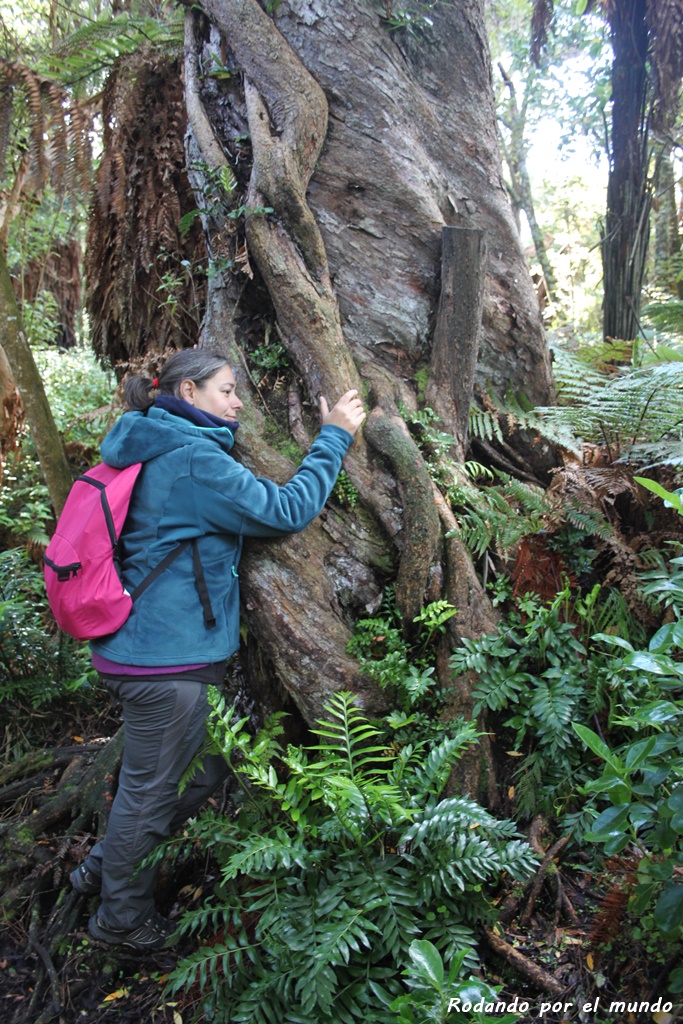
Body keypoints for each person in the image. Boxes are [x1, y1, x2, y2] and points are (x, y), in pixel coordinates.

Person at [70, 348, 365, 950]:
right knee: (151, 795)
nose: (237, 404)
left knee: (202, 771)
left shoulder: (158, 445)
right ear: (186, 393)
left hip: (161, 656)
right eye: (227, 391)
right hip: (162, 665)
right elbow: (286, 511)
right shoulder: (193, 460)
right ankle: (119, 922)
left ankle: (105, 867)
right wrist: (333, 436)